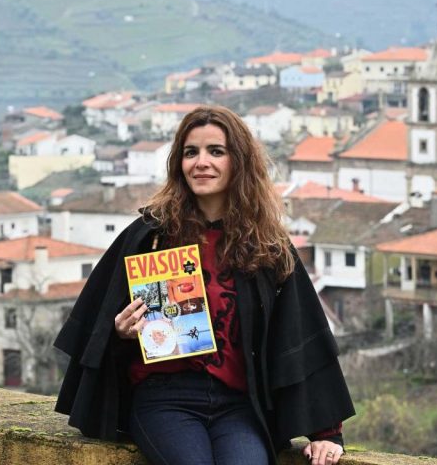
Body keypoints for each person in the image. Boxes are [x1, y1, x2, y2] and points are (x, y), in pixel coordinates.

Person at [54, 105, 355, 465]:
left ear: (239, 161)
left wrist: (326, 433)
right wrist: (120, 332)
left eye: (216, 151)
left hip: (239, 405)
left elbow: (299, 334)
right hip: (164, 399)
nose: (201, 163)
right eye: (190, 152)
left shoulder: (265, 245)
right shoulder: (151, 236)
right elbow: (98, 325)